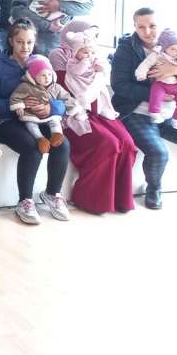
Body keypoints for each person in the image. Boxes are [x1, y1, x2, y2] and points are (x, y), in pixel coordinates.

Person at [111, 8, 177, 214]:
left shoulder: (176, 43)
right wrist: (154, 94)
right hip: (138, 113)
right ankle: (153, 189)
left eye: (152, 25)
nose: (148, 32)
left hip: (173, 115)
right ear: (135, 27)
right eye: (141, 27)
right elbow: (119, 85)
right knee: (158, 152)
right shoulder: (127, 48)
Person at [0, 19, 71, 225]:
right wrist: (19, 105)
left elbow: (59, 95)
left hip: (39, 119)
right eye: (20, 42)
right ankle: (25, 201)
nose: (25, 47)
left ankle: (52, 194)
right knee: (33, 147)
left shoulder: (42, 62)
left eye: (29, 42)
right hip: (6, 121)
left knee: (62, 144)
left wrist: (51, 108)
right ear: (11, 41)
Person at [50, 21, 137, 215]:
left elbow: (102, 80)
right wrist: (90, 71)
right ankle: (91, 200)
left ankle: (119, 199)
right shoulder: (58, 54)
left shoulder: (95, 54)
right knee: (108, 144)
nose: (91, 41)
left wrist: (97, 71)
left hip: (100, 111)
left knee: (128, 143)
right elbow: (64, 87)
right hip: (74, 113)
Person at [8, 54, 85, 150]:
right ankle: (40, 139)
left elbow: (66, 98)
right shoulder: (26, 86)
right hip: (32, 115)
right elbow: (16, 96)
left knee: (55, 121)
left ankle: (56, 135)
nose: (47, 78)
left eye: (49, 74)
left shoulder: (56, 87)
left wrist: (74, 107)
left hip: (50, 116)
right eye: (43, 75)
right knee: (30, 124)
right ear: (33, 76)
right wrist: (19, 106)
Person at [133, 29, 177, 130]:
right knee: (155, 97)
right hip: (161, 83)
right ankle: (155, 114)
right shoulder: (157, 55)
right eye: (173, 49)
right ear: (164, 49)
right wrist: (141, 74)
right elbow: (146, 63)